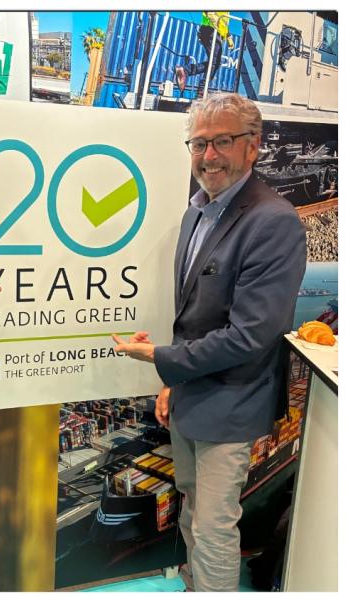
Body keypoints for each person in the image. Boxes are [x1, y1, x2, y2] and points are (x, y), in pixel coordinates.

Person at [113, 93, 306, 592]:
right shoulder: (197, 212)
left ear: (253, 147)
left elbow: (253, 333)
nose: (208, 155)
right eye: (199, 143)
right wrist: (172, 382)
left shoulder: (274, 220)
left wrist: (162, 359)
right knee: (192, 504)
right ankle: (196, 583)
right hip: (192, 392)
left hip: (233, 400)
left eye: (222, 141)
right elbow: (193, 318)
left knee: (214, 525)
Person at [175, 12, 234, 97]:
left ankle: (186, 70)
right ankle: (202, 90)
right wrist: (210, 14)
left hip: (214, 32)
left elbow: (223, 23)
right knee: (214, 63)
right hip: (211, 30)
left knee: (215, 63)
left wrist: (228, 36)